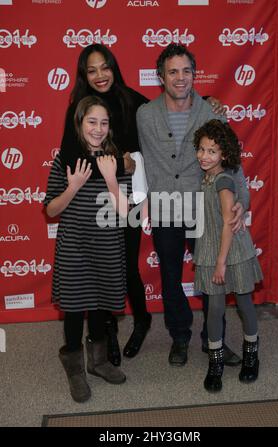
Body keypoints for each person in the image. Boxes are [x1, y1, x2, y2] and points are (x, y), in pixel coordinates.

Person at [60, 43, 226, 366]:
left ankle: (203, 336)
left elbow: (186, 113)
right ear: (161, 77)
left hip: (170, 200)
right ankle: (148, 335)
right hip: (107, 200)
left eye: (104, 67)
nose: (99, 75)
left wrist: (208, 101)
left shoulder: (134, 100)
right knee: (133, 272)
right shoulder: (93, 109)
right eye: (91, 70)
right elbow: (71, 159)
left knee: (192, 272)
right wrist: (119, 167)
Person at [137, 43, 250, 367]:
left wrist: (241, 199)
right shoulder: (144, 115)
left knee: (213, 275)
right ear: (161, 76)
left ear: (194, 74)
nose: (180, 77)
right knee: (171, 276)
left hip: (206, 210)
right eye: (173, 71)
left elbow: (231, 161)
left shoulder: (212, 112)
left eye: (186, 71)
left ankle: (213, 339)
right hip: (165, 208)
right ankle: (180, 337)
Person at [44, 96, 130, 402]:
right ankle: (75, 368)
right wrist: (74, 186)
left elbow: (125, 212)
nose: (98, 129)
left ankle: (98, 361)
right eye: (92, 121)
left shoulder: (115, 160)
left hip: (106, 246)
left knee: (99, 304)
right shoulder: (66, 160)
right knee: (73, 306)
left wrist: (111, 180)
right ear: (80, 124)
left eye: (104, 123)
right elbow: (52, 210)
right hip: (74, 247)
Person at [193, 119, 263, 391]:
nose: (204, 155)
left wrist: (220, 263)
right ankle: (216, 363)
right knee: (215, 311)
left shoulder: (223, 179)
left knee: (245, 305)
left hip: (230, 252)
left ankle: (251, 357)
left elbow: (226, 224)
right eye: (201, 149)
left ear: (224, 154)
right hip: (211, 249)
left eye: (212, 151)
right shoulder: (206, 176)